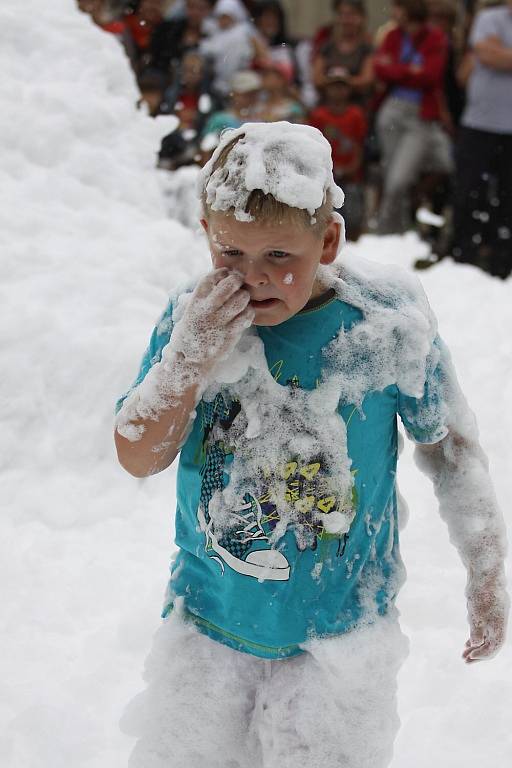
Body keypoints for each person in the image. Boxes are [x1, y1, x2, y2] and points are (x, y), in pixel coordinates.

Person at [115, 121, 508, 768]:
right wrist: (186, 362)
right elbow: (138, 455)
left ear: (327, 240)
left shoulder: (382, 325)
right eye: (230, 254)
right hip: (207, 625)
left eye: (279, 257)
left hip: (341, 637)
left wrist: (486, 565)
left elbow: (452, 448)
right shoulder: (195, 320)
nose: (253, 279)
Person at [374, 0, 454, 234]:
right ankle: (395, 232)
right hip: (392, 110)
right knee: (392, 176)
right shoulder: (393, 35)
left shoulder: (435, 37)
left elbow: (430, 75)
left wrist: (398, 69)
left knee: (400, 180)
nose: (393, 13)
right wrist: (410, 70)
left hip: (420, 114)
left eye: (397, 7)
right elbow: (380, 68)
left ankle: (389, 231)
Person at [451, 0, 512, 280]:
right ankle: (462, 256)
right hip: (480, 124)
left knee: (507, 199)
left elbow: (495, 54)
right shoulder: (490, 17)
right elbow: (486, 54)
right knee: (468, 191)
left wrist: (502, 52)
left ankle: (502, 263)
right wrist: (497, 53)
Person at [309, 67, 367, 239]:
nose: (337, 91)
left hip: (351, 175)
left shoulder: (355, 115)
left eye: (342, 87)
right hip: (325, 177)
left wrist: (350, 169)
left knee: (353, 218)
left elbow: (359, 146)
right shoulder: (318, 115)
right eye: (333, 86)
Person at [312, 0, 374, 104]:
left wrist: (338, 81)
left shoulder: (367, 48)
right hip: (327, 106)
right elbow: (317, 79)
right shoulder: (326, 46)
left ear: (361, 18)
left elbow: (367, 80)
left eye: (351, 15)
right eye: (342, 14)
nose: (347, 20)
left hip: (356, 106)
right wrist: (342, 81)